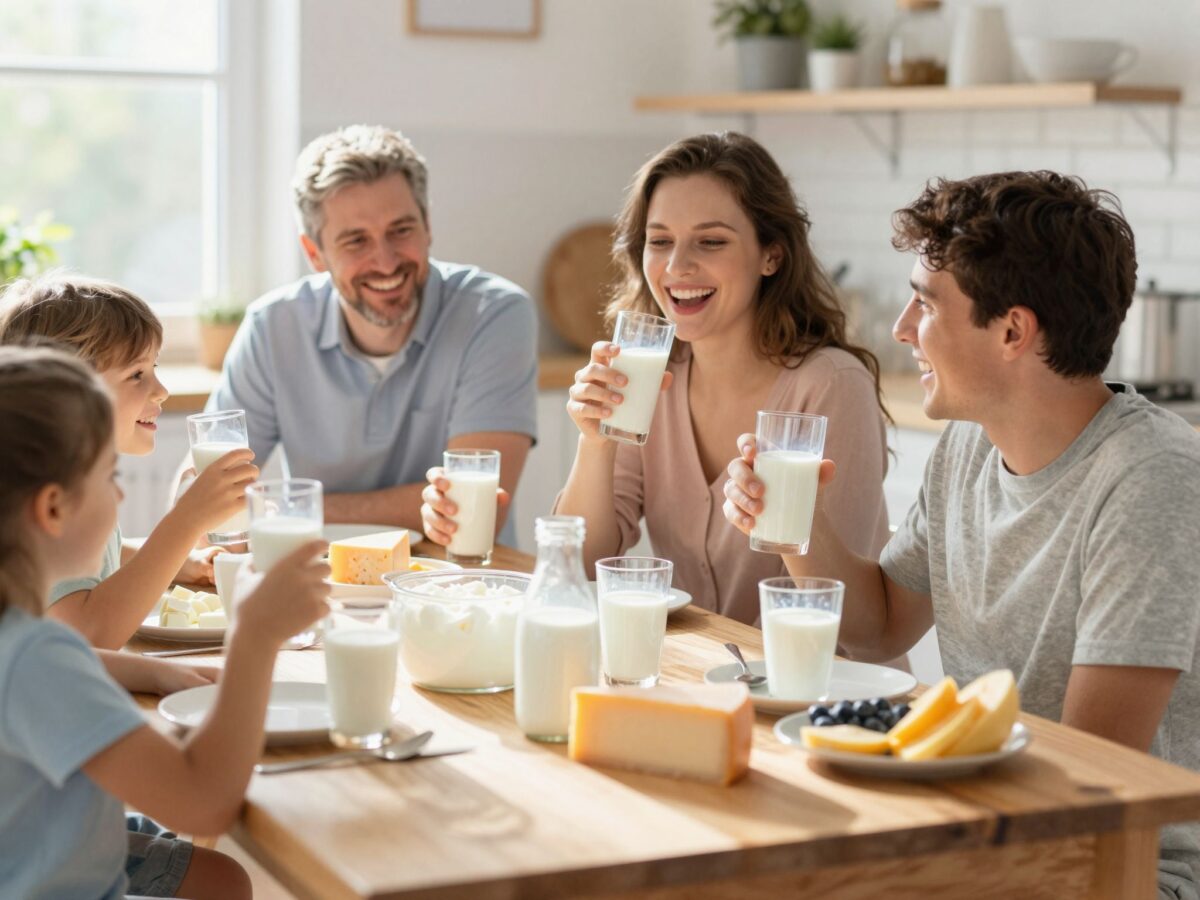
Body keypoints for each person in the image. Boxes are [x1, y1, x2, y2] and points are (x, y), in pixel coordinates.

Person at [723, 170, 1200, 896]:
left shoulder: (1153, 479)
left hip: (1121, 865)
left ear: (1013, 331)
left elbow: (1097, 770)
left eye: (925, 303)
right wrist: (791, 523)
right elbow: (881, 625)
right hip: (990, 824)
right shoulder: (971, 445)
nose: (901, 329)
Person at [435, 132, 891, 624]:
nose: (677, 266)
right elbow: (577, 567)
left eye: (711, 241)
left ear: (771, 255)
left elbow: (846, 613)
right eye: (660, 241)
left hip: (830, 692)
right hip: (703, 675)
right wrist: (597, 440)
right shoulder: (651, 380)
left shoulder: (831, 386)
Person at [0, 344, 330, 898]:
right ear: (53, 509)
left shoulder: (22, 636)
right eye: (109, 477)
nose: (122, 493)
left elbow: (55, 661)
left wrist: (151, 672)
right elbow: (204, 802)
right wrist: (255, 635)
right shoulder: (36, 658)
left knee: (222, 880)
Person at [206, 124, 537, 544]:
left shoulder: (494, 314)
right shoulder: (273, 327)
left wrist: (287, 506)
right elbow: (201, 494)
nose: (385, 261)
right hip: (318, 580)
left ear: (427, 225)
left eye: (401, 230)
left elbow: (477, 510)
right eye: (356, 241)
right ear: (314, 254)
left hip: (458, 582)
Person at [0, 274, 258, 651]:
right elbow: (91, 636)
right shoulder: (46, 502)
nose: (162, 390)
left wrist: (180, 564)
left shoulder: (70, 481)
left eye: (154, 369)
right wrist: (187, 521)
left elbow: (106, 551)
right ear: (68, 389)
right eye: (137, 374)